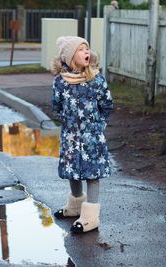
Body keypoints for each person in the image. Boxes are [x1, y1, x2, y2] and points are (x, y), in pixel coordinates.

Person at [51, 36, 113, 234]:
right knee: (72, 170)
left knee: (92, 173)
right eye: (80, 50)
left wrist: (99, 125)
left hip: (91, 136)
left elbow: (106, 104)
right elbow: (57, 106)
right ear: (69, 57)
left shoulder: (96, 80)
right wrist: (68, 124)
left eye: (87, 49)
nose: (86, 52)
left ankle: (90, 216)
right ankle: (76, 206)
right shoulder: (60, 82)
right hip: (70, 136)